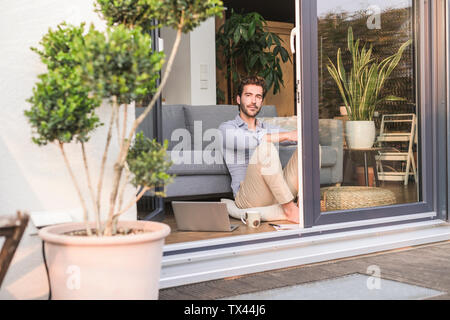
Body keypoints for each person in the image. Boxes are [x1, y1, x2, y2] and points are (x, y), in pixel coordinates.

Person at [219, 76, 300, 223]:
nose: (253, 101)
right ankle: (289, 209)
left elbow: (292, 137)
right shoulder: (227, 128)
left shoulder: (266, 127)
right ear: (238, 99)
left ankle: (302, 204)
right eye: (248, 95)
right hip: (248, 197)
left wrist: (300, 134)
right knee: (265, 147)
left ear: (262, 102)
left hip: (275, 192)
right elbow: (252, 140)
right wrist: (286, 135)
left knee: (311, 148)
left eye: (258, 97)